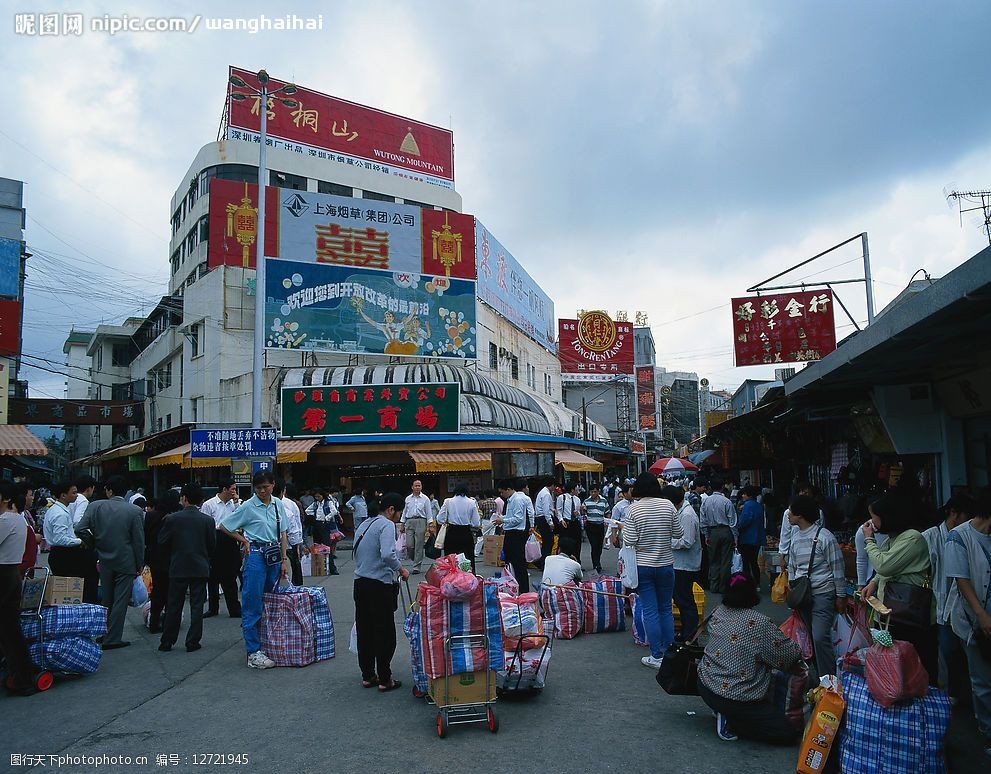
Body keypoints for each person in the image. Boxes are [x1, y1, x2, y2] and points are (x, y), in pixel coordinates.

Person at [698, 573, 804, 744]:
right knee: (787, 733)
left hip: (705, 684)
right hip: (736, 698)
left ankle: (724, 712)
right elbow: (790, 655)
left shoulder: (718, 612)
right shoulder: (760, 623)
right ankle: (732, 720)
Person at [861, 489, 938, 683]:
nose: (872, 523)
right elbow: (887, 567)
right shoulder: (894, 538)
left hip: (909, 613)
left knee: (915, 664)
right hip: (894, 612)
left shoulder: (912, 538)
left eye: (874, 518)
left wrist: (869, 539)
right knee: (895, 666)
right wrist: (873, 583)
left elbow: (884, 565)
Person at [220, 471, 290, 670]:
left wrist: (284, 560)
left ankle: (268, 643)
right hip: (256, 555)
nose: (261, 491)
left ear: (273, 485)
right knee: (252, 603)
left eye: (265, 487)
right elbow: (225, 526)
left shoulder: (277, 503)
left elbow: (283, 532)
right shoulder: (248, 506)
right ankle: (253, 652)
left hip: (274, 555)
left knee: (272, 602)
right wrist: (244, 541)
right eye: (258, 488)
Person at [945, 486, 991, 758]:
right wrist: (982, 617)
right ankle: (988, 735)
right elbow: (961, 581)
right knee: (983, 681)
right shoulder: (959, 537)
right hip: (973, 622)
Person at [76, 476, 145, 650]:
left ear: (109, 490)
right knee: (120, 601)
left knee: (107, 598)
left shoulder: (95, 506)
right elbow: (138, 541)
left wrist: (93, 543)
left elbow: (80, 529)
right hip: (126, 560)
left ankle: (104, 633)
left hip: (104, 558)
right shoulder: (134, 511)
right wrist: (140, 563)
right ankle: (113, 638)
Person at [623, 472, 683, 669]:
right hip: (666, 565)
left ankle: (656, 655)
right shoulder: (668, 506)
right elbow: (678, 533)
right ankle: (669, 651)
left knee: (650, 610)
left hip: (644, 567)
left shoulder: (633, 510)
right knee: (666, 608)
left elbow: (630, 541)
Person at [353, 492, 409, 691]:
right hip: (378, 585)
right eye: (399, 513)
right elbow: (387, 553)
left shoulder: (364, 524)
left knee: (365, 630)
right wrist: (400, 568)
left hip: (360, 583)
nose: (399, 517)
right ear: (391, 509)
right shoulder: (386, 525)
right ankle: (385, 678)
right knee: (384, 632)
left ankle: (368, 675)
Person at [786, 494, 847, 678]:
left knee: (820, 637)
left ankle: (828, 680)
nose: (788, 514)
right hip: (803, 596)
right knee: (809, 638)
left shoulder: (824, 537)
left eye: (791, 511)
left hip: (823, 594)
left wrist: (841, 596)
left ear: (800, 515)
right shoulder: (795, 537)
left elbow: (838, 568)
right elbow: (792, 566)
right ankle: (816, 677)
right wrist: (791, 590)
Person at [924, 493, 974, 702]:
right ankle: (954, 694)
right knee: (949, 652)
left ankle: (962, 693)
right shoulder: (930, 537)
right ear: (954, 514)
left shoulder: (970, 536)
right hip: (941, 606)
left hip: (965, 606)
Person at [157, 484, 216, 653]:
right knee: (197, 605)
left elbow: (162, 542)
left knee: (174, 604)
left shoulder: (172, 519)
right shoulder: (208, 520)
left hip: (178, 566)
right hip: (200, 566)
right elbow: (212, 545)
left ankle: (167, 641)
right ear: (201, 500)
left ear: (183, 498)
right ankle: (192, 641)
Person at [0, 481, 37, 696]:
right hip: (10, 575)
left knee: (9, 630)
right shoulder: (17, 520)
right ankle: (20, 674)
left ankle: (22, 676)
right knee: (9, 629)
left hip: (4, 574)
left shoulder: (7, 520)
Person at [664, 484, 701, 642]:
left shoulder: (686, 515)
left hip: (685, 565)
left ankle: (691, 635)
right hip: (679, 564)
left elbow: (687, 541)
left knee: (685, 600)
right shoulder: (681, 511)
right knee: (681, 599)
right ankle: (687, 631)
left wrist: (667, 542)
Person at [200, 481, 242, 618]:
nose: (234, 492)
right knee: (213, 577)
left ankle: (234, 608)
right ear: (224, 489)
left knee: (230, 576)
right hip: (215, 538)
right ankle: (213, 608)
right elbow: (205, 524)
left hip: (231, 538)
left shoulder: (235, 503)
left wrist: (236, 503)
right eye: (233, 489)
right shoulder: (209, 504)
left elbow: (240, 518)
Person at [144, 489, 180, 633]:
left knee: (157, 591)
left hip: (154, 558)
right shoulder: (173, 517)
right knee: (171, 592)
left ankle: (153, 621)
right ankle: (167, 622)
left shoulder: (150, 516)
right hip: (171, 558)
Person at [494, 478, 532, 593]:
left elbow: (518, 518)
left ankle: (523, 590)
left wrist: (503, 521)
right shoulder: (511, 499)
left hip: (517, 533)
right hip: (511, 532)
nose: (502, 495)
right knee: (510, 561)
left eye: (502, 492)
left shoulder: (517, 499)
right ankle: (513, 587)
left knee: (519, 564)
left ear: (509, 489)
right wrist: (502, 519)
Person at [432, 485, 481, 574]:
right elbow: (476, 523)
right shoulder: (472, 502)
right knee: (468, 558)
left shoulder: (448, 501)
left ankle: (451, 581)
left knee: (451, 560)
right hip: (466, 533)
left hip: (452, 533)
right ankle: (468, 581)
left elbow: (439, 519)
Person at [700, 477, 737, 593]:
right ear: (722, 487)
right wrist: (735, 536)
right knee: (725, 560)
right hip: (726, 531)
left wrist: (706, 535)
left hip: (712, 532)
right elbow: (733, 521)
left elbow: (703, 520)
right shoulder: (726, 501)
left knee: (713, 560)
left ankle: (713, 585)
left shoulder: (706, 501)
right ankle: (723, 586)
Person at [400, 479, 432, 574]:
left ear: (421, 487)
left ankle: (416, 566)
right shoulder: (408, 499)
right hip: (409, 521)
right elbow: (405, 512)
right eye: (416, 485)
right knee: (409, 545)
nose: (417, 487)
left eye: (419, 485)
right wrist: (402, 524)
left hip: (421, 521)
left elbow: (428, 512)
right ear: (412, 487)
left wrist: (429, 525)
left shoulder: (425, 499)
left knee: (419, 544)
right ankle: (415, 558)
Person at [737, 486, 765, 587]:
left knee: (746, 562)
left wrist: (737, 528)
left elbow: (744, 521)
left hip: (747, 537)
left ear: (748, 495)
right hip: (757, 537)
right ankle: (757, 582)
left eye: (744, 494)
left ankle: (747, 583)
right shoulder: (758, 505)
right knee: (754, 561)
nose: (743, 496)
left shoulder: (747, 505)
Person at [277, 481, 305, 584]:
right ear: (282, 491)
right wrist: (297, 544)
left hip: (282, 546)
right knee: (289, 575)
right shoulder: (290, 504)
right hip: (288, 545)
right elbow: (296, 526)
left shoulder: (287, 505)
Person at [583, 484, 609, 574]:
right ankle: (596, 564)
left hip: (600, 525)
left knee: (599, 546)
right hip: (591, 526)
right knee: (594, 545)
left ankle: (598, 561)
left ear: (598, 492)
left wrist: (608, 522)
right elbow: (583, 513)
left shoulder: (604, 501)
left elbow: (607, 512)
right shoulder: (586, 501)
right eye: (591, 492)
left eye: (595, 491)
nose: (593, 493)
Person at [555, 481, 583, 556]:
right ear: (572, 490)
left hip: (575, 522)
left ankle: (576, 559)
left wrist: (578, 513)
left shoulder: (577, 499)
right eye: (576, 489)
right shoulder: (562, 498)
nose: (578, 490)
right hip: (566, 522)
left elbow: (579, 512)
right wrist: (561, 520)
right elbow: (559, 510)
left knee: (577, 542)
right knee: (564, 542)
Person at [534, 478, 557, 568]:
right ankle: (544, 562)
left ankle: (543, 562)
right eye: (554, 487)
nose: (554, 489)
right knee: (548, 541)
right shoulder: (546, 494)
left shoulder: (542, 492)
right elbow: (546, 510)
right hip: (544, 518)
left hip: (541, 518)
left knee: (546, 541)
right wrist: (550, 522)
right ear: (552, 485)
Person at [17, 485, 38, 578]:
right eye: (30, 495)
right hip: (19, 564)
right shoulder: (16, 516)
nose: (32, 498)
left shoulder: (27, 513)